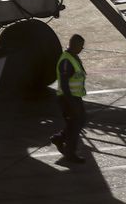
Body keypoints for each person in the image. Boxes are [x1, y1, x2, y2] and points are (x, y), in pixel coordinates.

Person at [51, 34, 88, 164]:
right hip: (68, 98)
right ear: (74, 45)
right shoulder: (67, 61)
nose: (82, 48)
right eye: (80, 46)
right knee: (75, 124)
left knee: (79, 121)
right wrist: (71, 103)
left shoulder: (73, 57)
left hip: (75, 97)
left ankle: (60, 138)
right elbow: (64, 84)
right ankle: (70, 154)